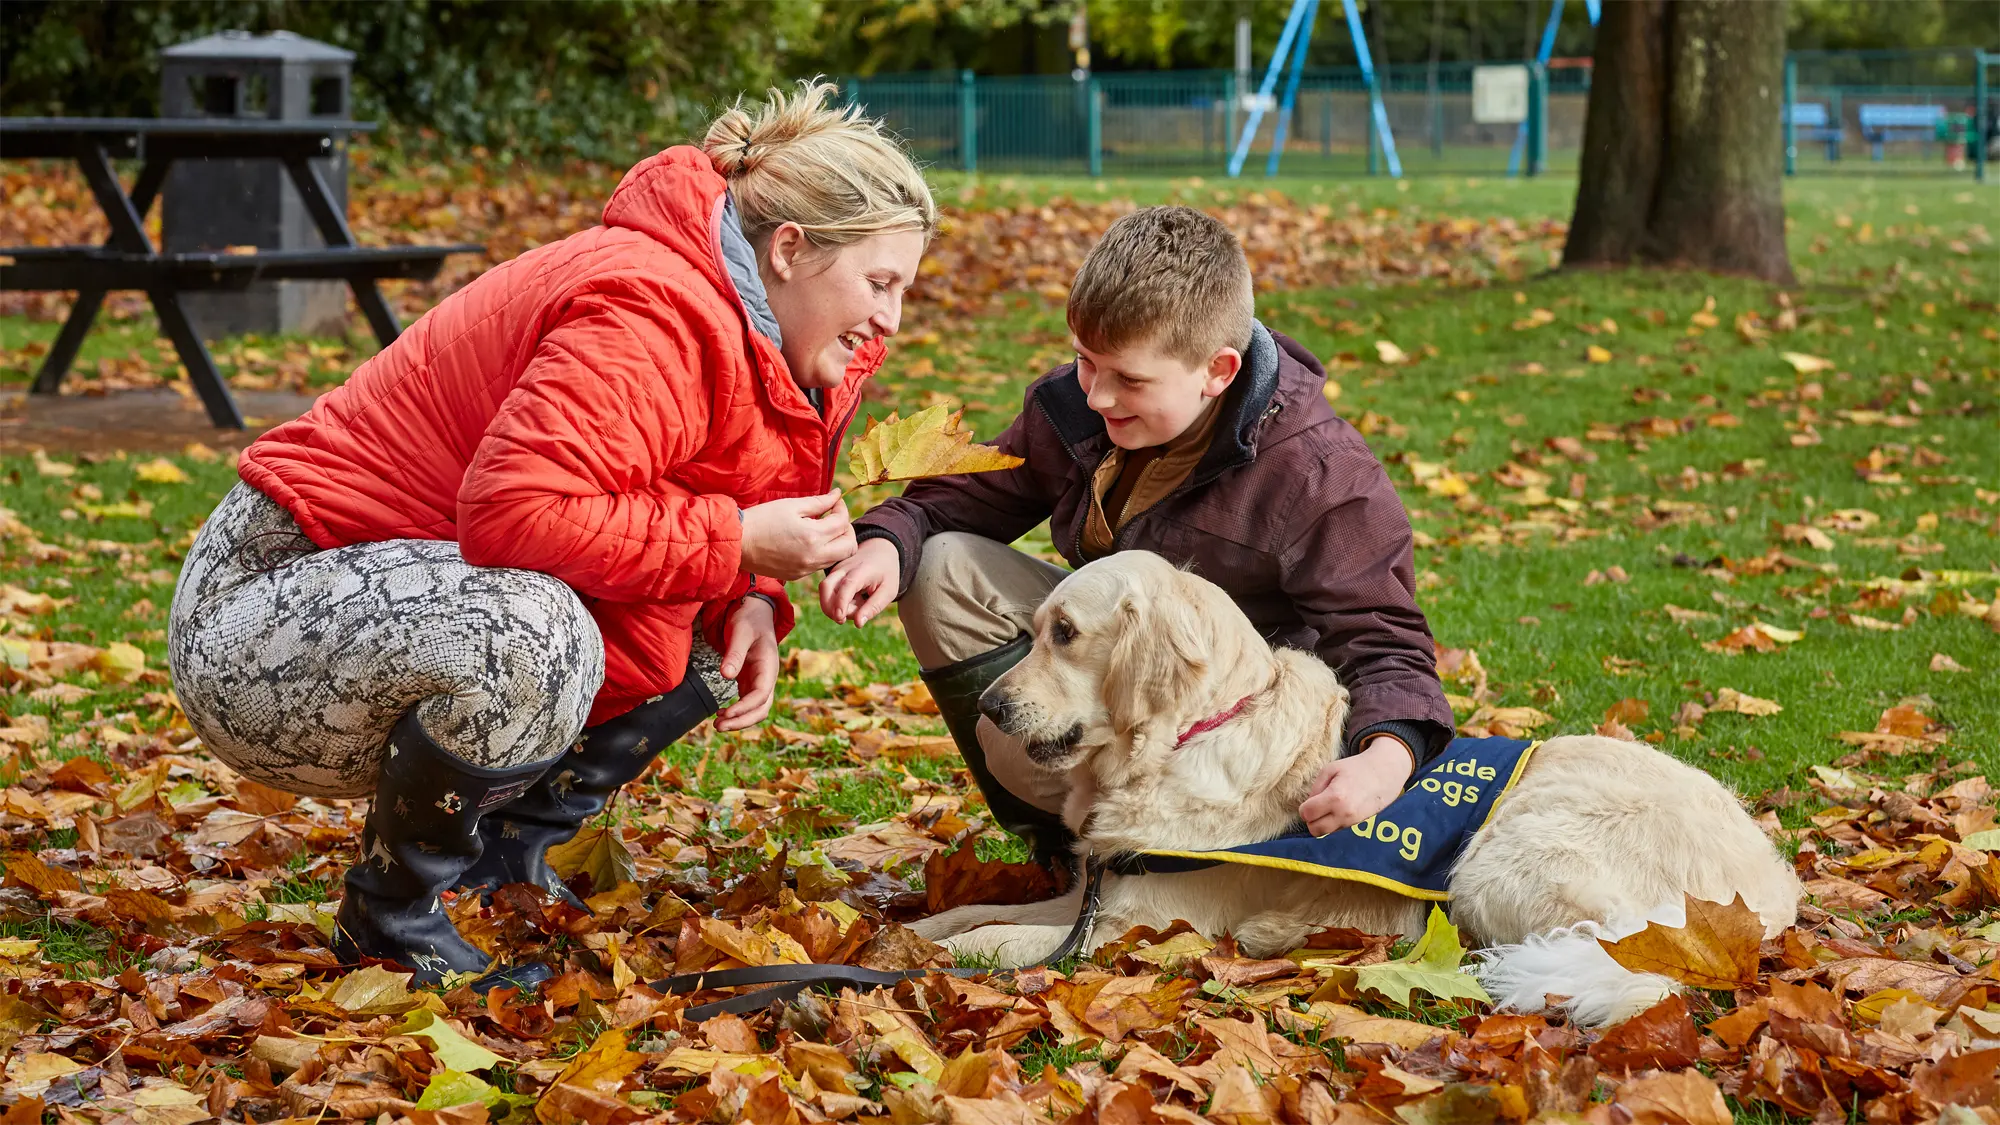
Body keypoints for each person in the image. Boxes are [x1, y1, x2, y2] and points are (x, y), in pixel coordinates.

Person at [167, 80, 933, 986]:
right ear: (792, 250)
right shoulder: (649, 310)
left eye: (903, 289)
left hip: (402, 593)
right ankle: (390, 916)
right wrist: (734, 545)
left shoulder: (781, 337)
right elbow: (515, 514)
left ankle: (502, 862)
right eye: (878, 283)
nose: (889, 317)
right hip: (262, 615)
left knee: (696, 628)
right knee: (534, 631)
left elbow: (726, 482)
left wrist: (752, 596)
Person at [820, 206, 1453, 868]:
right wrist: (890, 539)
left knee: (1034, 733)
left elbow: (1389, 647)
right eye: (1086, 362)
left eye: (1129, 379)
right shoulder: (1072, 408)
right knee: (943, 566)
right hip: (1114, 700)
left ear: (1217, 370)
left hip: (1232, 748)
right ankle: (1060, 847)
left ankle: (1157, 863)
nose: (1097, 395)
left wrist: (1384, 761)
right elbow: (966, 500)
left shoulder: (1321, 472)